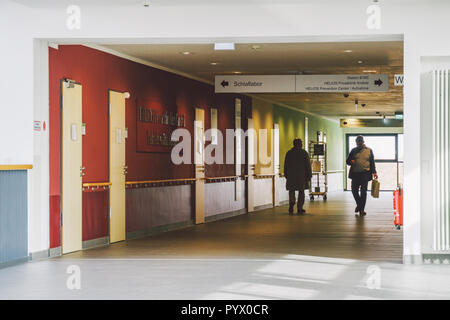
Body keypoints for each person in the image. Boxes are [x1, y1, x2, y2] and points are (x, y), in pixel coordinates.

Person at [346, 135, 378, 216]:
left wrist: (374, 172)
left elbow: (372, 162)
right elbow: (347, 161)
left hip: (365, 174)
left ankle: (361, 209)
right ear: (356, 142)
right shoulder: (353, 150)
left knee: (363, 192)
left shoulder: (369, 150)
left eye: (360, 142)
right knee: (354, 191)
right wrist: (351, 162)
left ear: (363, 142)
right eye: (357, 142)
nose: (359, 143)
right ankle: (359, 205)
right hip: (355, 174)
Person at [284, 138, 312, 215]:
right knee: (301, 191)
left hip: (291, 175)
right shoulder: (304, 153)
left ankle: (292, 202)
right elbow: (308, 165)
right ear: (300, 144)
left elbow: (285, 165)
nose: (302, 144)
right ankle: (299, 208)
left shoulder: (289, 153)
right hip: (301, 176)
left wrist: (286, 174)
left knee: (291, 190)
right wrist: (309, 174)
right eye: (301, 143)